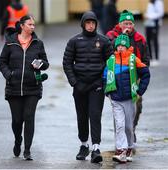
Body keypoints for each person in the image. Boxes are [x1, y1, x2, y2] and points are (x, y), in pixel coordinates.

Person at [63, 11, 113, 163]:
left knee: (95, 115)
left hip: (96, 85)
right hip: (80, 86)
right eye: (88, 23)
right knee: (82, 116)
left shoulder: (104, 41)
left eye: (93, 23)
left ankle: (96, 148)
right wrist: (74, 82)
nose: (91, 26)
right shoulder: (74, 41)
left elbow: (110, 63)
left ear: (96, 24)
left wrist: (104, 84)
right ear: (83, 24)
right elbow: (67, 63)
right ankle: (84, 145)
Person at [0, 15, 49, 160]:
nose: (33, 27)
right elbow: (2, 63)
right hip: (13, 87)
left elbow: (46, 63)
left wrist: (40, 63)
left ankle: (27, 150)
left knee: (29, 117)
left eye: (34, 25)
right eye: (30, 24)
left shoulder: (38, 43)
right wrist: (9, 75)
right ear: (22, 26)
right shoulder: (10, 43)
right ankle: (17, 140)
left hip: (32, 87)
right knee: (16, 120)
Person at [106, 10, 150, 149]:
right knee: (118, 111)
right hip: (118, 78)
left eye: (131, 23)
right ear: (120, 24)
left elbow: (146, 59)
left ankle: (131, 130)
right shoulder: (111, 35)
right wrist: (122, 36)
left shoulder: (140, 39)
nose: (129, 26)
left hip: (134, 78)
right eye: (126, 23)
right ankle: (120, 139)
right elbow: (108, 52)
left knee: (137, 107)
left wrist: (139, 76)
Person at [144, 0, 164, 66]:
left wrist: (150, 16)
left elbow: (160, 13)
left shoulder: (159, 2)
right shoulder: (150, 2)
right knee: (148, 41)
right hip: (148, 24)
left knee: (155, 41)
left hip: (155, 24)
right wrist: (146, 15)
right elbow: (148, 11)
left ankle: (156, 58)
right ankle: (151, 58)